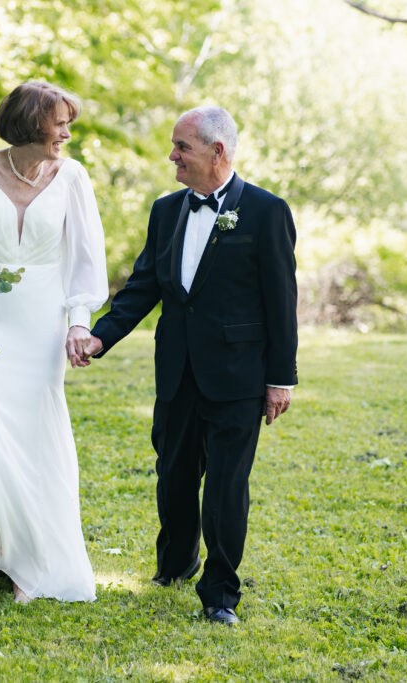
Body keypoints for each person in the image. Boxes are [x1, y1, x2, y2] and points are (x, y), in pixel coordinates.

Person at [80, 106, 298, 625]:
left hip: (238, 377)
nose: (172, 156)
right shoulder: (165, 210)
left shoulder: (267, 212)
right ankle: (175, 565)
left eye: (182, 147)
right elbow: (143, 288)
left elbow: (281, 300)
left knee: (225, 486)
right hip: (177, 371)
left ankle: (220, 593)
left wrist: (280, 378)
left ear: (217, 152)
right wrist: (99, 335)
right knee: (173, 476)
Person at [0, 81, 108, 604]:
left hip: (41, 323)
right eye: (60, 123)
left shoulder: (73, 177)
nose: (67, 133)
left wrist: (80, 319)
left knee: (34, 436)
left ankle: (26, 557)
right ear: (32, 124)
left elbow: (84, 260)